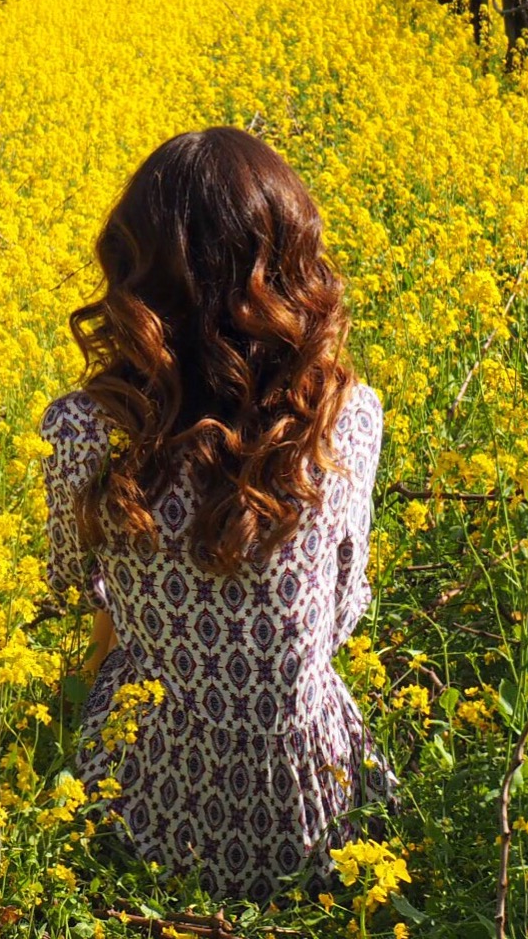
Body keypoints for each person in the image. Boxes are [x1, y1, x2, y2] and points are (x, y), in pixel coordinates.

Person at [42, 126, 391, 902]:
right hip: (314, 810)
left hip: (141, 804)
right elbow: (341, 610)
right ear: (295, 266)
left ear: (133, 269)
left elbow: (70, 583)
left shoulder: (84, 426)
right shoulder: (346, 420)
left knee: (114, 659)